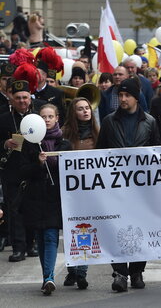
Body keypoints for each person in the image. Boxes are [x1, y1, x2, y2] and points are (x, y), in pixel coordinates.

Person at [97, 78, 160, 292]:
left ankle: (137, 270)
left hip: (142, 188)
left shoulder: (150, 122)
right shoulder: (108, 121)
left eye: (127, 95)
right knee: (116, 229)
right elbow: (99, 154)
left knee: (140, 228)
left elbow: (156, 155)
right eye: (120, 95)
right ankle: (120, 273)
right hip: (115, 187)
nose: (122, 99)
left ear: (136, 97)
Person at [19, 104, 71, 295]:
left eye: (50, 116)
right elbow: (22, 171)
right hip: (34, 197)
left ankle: (49, 278)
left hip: (54, 197)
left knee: (50, 236)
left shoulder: (64, 143)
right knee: (40, 238)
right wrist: (38, 164)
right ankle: (46, 276)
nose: (47, 120)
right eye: (43, 117)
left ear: (57, 118)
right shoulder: (29, 143)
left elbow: (70, 172)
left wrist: (51, 163)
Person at [0, 65, 46, 262]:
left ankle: (31, 244)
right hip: (12, 170)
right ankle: (18, 247)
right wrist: (4, 143)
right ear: (12, 98)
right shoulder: (3, 118)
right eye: (18, 97)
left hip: (33, 169)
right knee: (13, 209)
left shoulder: (38, 116)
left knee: (32, 207)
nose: (21, 101)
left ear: (30, 98)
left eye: (25, 97)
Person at [60, 97, 98, 289]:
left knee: (86, 230)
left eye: (87, 108)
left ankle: (81, 272)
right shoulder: (64, 134)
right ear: (73, 113)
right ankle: (72, 270)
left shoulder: (98, 134)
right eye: (80, 109)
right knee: (70, 232)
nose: (85, 111)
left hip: (90, 192)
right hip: (69, 193)